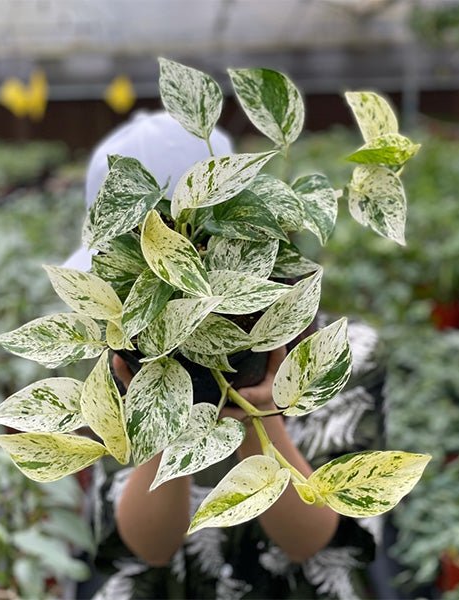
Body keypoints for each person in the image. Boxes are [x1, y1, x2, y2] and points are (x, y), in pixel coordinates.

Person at [66, 111, 387, 600]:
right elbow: (148, 547)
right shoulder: (122, 354)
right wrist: (164, 404)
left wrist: (260, 413)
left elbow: (314, 540)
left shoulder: (339, 352)